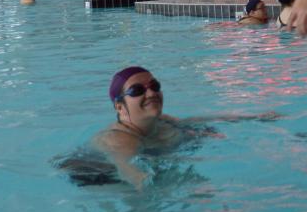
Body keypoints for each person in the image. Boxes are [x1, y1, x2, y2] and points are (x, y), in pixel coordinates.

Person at [85, 67, 280, 188]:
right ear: (120, 107)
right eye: (137, 91)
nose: (151, 93)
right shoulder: (120, 139)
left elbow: (196, 121)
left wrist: (253, 118)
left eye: (155, 86)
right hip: (101, 180)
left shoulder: (162, 120)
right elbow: (133, 175)